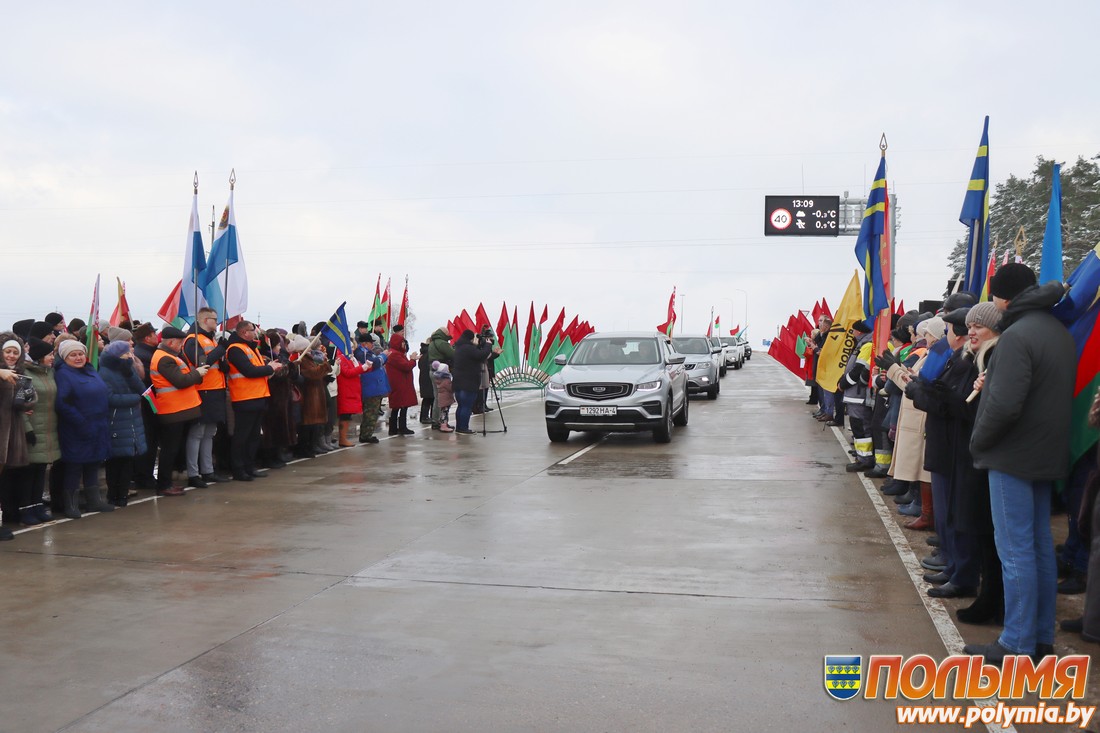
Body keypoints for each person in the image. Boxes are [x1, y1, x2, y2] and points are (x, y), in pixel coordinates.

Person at [964, 264, 1073, 663]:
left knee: (1015, 551)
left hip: (1012, 455)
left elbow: (1004, 406)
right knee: (1040, 547)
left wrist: (979, 441)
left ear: (1004, 298)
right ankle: (1041, 636)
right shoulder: (1057, 331)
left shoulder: (1017, 336)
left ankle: (1016, 641)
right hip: (1045, 454)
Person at [54, 339, 112, 517]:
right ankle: (71, 505)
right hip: (77, 428)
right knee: (75, 465)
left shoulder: (90, 370)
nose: (78, 357)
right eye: (73, 355)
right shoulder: (64, 374)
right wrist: (80, 422)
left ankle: (94, 501)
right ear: (65, 357)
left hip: (98, 425)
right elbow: (62, 403)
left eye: (80, 354)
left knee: (93, 463)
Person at [225, 320, 286, 481]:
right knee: (242, 436)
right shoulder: (235, 349)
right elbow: (249, 371)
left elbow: (258, 370)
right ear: (244, 332)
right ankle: (239, 469)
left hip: (258, 395)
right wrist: (269, 368)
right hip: (244, 397)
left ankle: (249, 466)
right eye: (253, 330)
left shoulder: (249, 348)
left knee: (253, 436)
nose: (256, 332)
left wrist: (269, 366)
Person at [150, 326, 207, 496]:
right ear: (171, 342)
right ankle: (163, 485)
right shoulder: (164, 358)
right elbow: (180, 381)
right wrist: (197, 373)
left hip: (179, 408)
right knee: (169, 449)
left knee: (173, 448)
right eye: (180, 342)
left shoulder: (170, 356)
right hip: (172, 410)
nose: (182, 345)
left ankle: (166, 483)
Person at [181, 307, 229, 487]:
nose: (217, 323)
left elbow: (218, 365)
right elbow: (202, 363)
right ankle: (194, 473)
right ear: (205, 320)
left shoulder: (210, 340)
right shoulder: (193, 339)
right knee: (197, 433)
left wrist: (223, 358)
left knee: (210, 433)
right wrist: (219, 350)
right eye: (214, 319)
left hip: (216, 389)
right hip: (203, 391)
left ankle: (208, 470)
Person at [98, 339, 148, 506]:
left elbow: (141, 388)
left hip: (132, 420)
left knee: (128, 459)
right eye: (126, 352)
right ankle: (113, 494)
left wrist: (129, 371)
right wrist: (135, 399)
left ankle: (123, 493)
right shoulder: (105, 372)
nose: (129, 355)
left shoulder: (127, 368)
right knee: (115, 461)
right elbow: (109, 398)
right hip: (116, 420)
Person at [0, 334, 35, 537]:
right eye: (7, 352)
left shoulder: (20, 374)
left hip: (10, 433)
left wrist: (26, 399)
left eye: (15, 352)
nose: (12, 356)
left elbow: (28, 402)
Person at [21, 338, 58, 524]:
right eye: (50, 354)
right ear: (40, 356)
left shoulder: (49, 373)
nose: (53, 357)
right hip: (33, 428)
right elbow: (21, 405)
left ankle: (37, 506)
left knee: (40, 470)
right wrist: (28, 428)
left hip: (49, 429)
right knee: (29, 472)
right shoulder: (26, 375)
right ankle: (25, 509)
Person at [132, 322, 161, 491]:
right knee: (148, 441)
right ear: (147, 337)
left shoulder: (147, 352)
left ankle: (145, 475)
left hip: (149, 404)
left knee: (150, 442)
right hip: (146, 405)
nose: (156, 337)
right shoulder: (143, 355)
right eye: (153, 334)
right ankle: (144, 477)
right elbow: (150, 380)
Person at [452, 329, 495, 435]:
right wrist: (488, 345)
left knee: (461, 406)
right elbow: (482, 355)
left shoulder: (459, 347)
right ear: (470, 338)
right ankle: (464, 428)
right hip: (468, 382)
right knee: (467, 406)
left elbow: (476, 356)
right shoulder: (468, 348)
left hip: (458, 382)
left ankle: (459, 427)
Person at [355, 334, 388, 444]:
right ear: (364, 343)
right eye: (370, 343)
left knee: (372, 411)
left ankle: (367, 433)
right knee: (371, 411)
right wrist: (383, 356)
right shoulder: (362, 353)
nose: (372, 345)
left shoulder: (367, 352)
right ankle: (366, 434)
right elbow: (374, 363)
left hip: (374, 386)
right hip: (370, 386)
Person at [384, 334, 418, 436]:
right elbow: (406, 366)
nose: (404, 344)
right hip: (399, 384)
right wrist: (412, 360)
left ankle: (395, 428)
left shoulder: (397, 354)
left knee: (398, 406)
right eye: (402, 342)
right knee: (401, 406)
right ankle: (399, 427)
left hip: (400, 383)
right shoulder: (395, 354)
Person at [335, 347, 369, 447]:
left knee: (348, 415)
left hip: (352, 390)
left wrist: (367, 367)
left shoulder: (351, 358)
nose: (353, 349)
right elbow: (347, 372)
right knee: (345, 415)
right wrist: (362, 368)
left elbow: (357, 370)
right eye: (351, 347)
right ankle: (342, 439)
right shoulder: (341, 358)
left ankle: (343, 438)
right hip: (345, 390)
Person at [426, 327, 455, 429]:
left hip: (432, 370)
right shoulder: (442, 343)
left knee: (437, 396)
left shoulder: (432, 343)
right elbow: (453, 354)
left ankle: (435, 420)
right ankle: (440, 421)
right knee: (443, 397)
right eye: (447, 331)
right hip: (441, 372)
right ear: (443, 333)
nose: (449, 333)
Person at [432, 361, 455, 432]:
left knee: (444, 412)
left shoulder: (439, 379)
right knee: (444, 412)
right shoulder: (446, 380)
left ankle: (444, 424)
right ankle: (443, 426)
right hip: (446, 398)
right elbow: (450, 388)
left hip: (442, 398)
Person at [418, 339, 434, 424]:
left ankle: (424, 416)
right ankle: (427, 417)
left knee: (427, 398)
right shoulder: (429, 354)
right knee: (430, 398)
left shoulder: (423, 353)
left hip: (424, 377)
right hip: (428, 378)